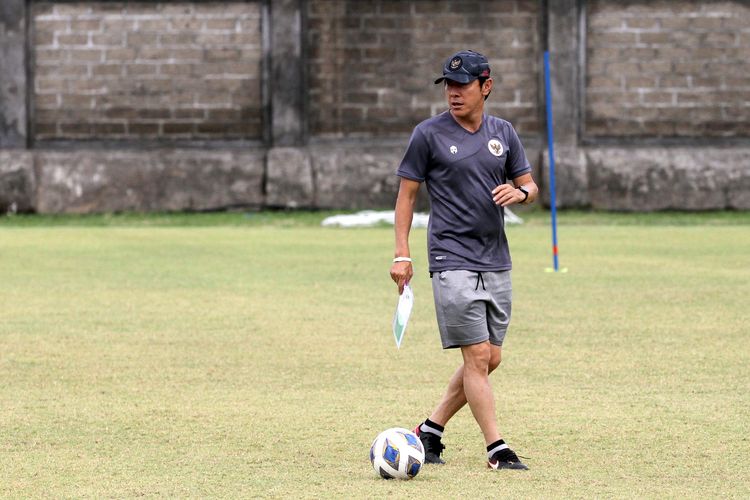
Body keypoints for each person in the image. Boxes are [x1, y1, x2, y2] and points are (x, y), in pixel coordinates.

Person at [389, 50, 538, 470]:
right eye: (448, 86)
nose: (453, 93)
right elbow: (406, 197)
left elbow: (530, 186)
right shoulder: (427, 134)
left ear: (485, 86)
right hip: (450, 257)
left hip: (496, 260)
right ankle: (498, 449)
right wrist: (402, 253)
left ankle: (430, 431)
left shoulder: (504, 133)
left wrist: (520, 193)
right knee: (475, 358)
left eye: (462, 85)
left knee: (492, 357)